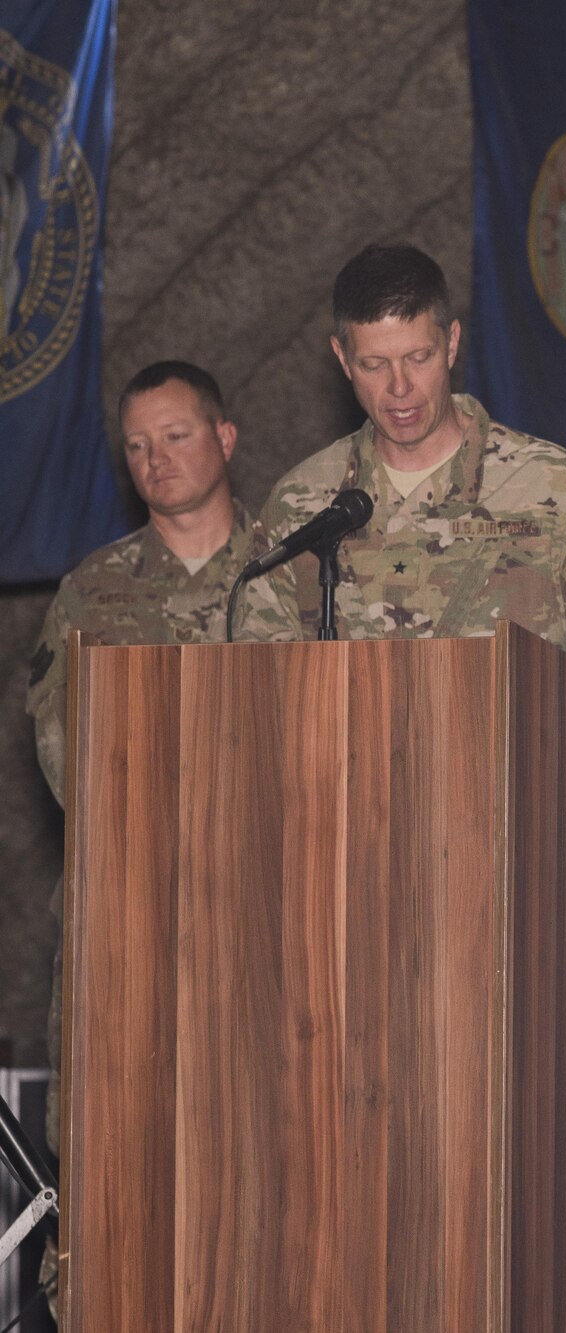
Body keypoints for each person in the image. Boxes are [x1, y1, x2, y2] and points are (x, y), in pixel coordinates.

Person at [234, 244, 566, 778]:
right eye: (373, 365)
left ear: (451, 343)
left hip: (518, 794)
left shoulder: (548, 486)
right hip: (349, 802)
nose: (399, 388)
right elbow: (253, 684)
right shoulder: (303, 503)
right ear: (342, 357)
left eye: (418, 358)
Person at [23, 359, 259, 1323]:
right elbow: (61, 747)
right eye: (136, 445)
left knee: (263, 1172)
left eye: (176, 434)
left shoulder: (299, 575)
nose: (156, 459)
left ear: (225, 438)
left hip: (268, 929)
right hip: (127, 931)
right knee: (119, 1183)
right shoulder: (94, 593)